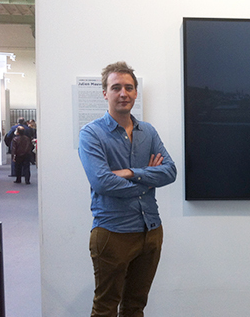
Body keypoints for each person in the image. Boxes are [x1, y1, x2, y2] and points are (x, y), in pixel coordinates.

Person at [78, 61, 176, 317]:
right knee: (106, 308)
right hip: (113, 232)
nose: (124, 93)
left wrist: (133, 172)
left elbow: (171, 172)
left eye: (129, 88)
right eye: (116, 87)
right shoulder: (91, 134)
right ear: (105, 93)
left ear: (135, 92)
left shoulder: (148, 131)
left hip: (151, 230)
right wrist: (149, 178)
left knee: (135, 307)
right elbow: (102, 182)